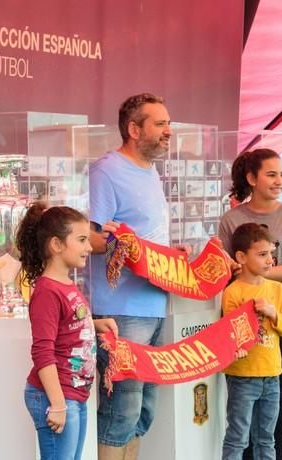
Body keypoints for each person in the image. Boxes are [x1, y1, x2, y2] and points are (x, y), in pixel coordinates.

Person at [88, 93, 173, 460]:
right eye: (160, 124)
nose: (168, 131)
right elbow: (89, 239)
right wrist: (127, 247)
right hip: (120, 310)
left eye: (168, 123)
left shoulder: (150, 169)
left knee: (141, 413)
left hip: (154, 304)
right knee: (120, 412)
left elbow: (145, 236)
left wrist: (169, 258)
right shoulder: (106, 170)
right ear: (134, 129)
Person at [218, 148, 282, 460]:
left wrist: (260, 270)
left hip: (281, 318)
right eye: (271, 174)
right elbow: (225, 269)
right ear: (251, 178)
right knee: (242, 403)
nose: (279, 180)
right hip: (241, 324)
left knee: (279, 395)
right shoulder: (231, 220)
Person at [17, 202, 118, 460]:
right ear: (56, 245)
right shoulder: (47, 292)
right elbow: (43, 351)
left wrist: (94, 325)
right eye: (82, 239)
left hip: (74, 396)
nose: (88, 247)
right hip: (58, 397)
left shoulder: (66, 284)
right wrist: (58, 403)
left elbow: (67, 325)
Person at [221, 222, 282, 460]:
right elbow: (231, 334)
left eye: (271, 254)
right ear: (241, 257)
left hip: (272, 376)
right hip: (243, 377)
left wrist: (274, 314)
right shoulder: (233, 292)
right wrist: (238, 347)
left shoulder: (276, 289)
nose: (269, 260)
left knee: (266, 439)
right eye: (262, 254)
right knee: (237, 438)